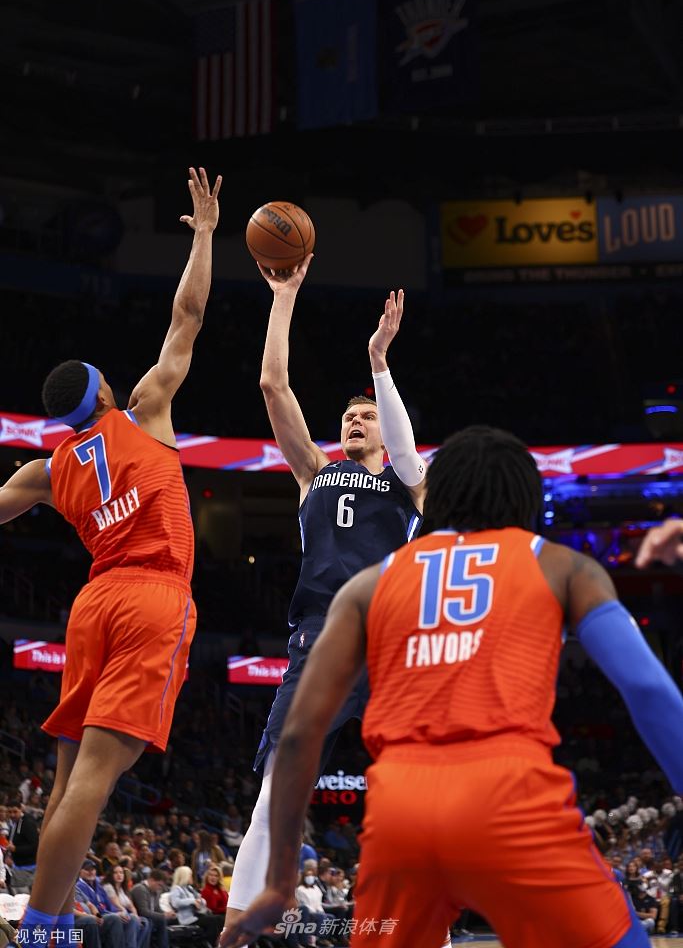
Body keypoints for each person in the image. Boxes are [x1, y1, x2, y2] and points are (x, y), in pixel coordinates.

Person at [222, 425, 683, 948]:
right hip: (511, 796)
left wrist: (279, 880)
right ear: (524, 497)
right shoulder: (561, 565)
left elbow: (301, 734)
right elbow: (648, 690)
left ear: (437, 495)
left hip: (401, 813)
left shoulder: (369, 583)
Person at [2, 167, 222, 947]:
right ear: (102, 393)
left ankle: (55, 927)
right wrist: (204, 235)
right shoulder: (145, 410)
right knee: (94, 782)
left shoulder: (46, 471)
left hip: (93, 604)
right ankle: (38, 933)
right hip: (153, 596)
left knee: (70, 783)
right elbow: (187, 315)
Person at [225, 269, 426, 930]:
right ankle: (234, 931)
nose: (354, 421)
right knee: (276, 789)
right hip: (323, 636)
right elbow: (272, 386)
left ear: (386, 429)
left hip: (391, 643)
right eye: (348, 416)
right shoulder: (315, 471)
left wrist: (379, 364)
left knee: (426, 789)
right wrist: (283, 299)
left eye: (366, 415)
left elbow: (407, 453)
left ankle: (435, 931)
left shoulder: (408, 483)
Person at [103, 864, 151, 948]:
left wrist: (136, 916)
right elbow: (117, 905)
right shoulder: (108, 886)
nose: (119, 875)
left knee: (145, 922)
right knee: (132, 918)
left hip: (124, 915)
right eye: (115, 873)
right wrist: (127, 913)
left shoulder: (122, 888)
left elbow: (131, 906)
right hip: (114, 914)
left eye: (121, 872)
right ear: (111, 875)